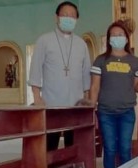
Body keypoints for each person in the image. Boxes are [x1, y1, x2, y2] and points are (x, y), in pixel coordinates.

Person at [90, 21, 138, 168]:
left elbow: (137, 88)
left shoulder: (134, 61)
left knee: (125, 148)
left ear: (126, 38)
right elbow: (94, 87)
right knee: (110, 148)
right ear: (108, 39)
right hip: (106, 112)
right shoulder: (100, 60)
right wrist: (91, 110)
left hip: (127, 112)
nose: (117, 37)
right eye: (113, 35)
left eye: (120, 35)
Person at [28, 1, 91, 151]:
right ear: (56, 17)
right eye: (65, 15)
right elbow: (35, 69)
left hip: (76, 104)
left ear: (77, 20)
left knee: (74, 146)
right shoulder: (44, 40)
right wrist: (37, 97)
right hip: (51, 103)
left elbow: (86, 72)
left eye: (72, 16)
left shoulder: (81, 44)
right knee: (50, 146)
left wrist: (87, 97)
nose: (68, 18)